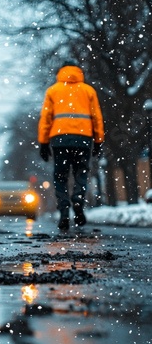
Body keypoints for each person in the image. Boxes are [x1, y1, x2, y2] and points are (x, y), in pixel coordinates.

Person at [38, 60, 104, 230]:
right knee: (81, 173)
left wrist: (43, 142)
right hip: (83, 139)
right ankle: (78, 201)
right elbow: (97, 117)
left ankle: (64, 210)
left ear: (61, 71)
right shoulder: (88, 90)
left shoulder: (53, 90)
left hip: (60, 140)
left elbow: (46, 119)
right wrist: (98, 140)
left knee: (60, 176)